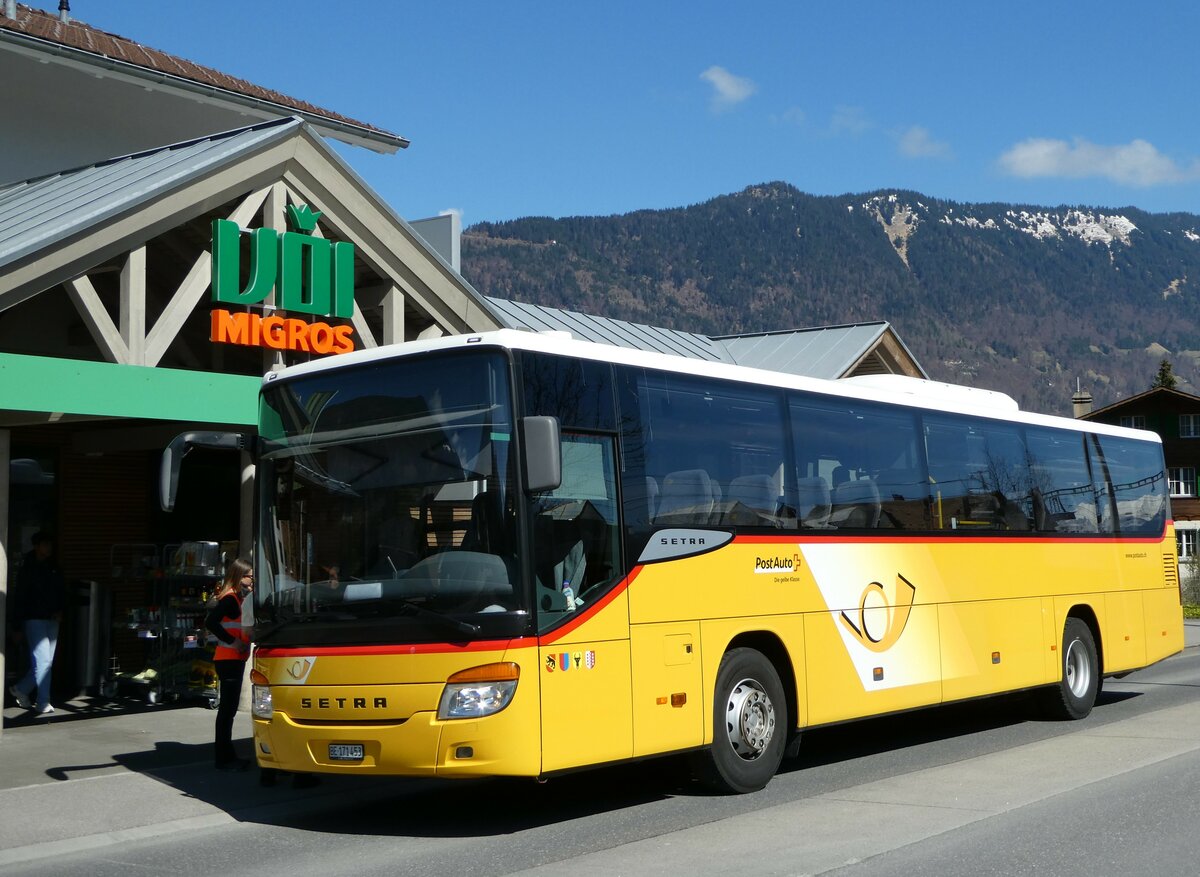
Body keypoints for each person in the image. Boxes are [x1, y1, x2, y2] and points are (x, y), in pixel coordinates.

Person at [9, 531, 66, 716]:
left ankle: (21, 689)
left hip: (51, 618)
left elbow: (61, 591)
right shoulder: (28, 569)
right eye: (45, 544)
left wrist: (60, 610)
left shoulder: (53, 567)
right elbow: (20, 597)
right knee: (44, 662)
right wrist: (17, 625)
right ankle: (42, 701)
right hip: (34, 618)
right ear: (36, 546)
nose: (49, 548)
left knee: (44, 662)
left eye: (50, 544)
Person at [205, 557, 253, 771]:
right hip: (229, 659)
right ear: (240, 576)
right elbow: (210, 622)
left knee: (228, 710)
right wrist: (234, 642)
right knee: (227, 710)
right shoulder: (230, 599)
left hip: (231, 659)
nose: (252, 581)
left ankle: (226, 755)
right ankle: (224, 757)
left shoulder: (236, 598)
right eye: (250, 577)